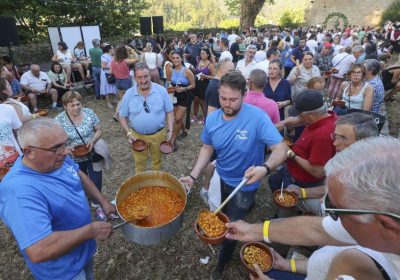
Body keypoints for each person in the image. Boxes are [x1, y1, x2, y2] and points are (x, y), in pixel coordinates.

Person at [226, 136, 400, 280]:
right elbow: (316, 229)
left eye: (333, 209)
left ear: (387, 226)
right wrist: (253, 231)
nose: (326, 211)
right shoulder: (369, 223)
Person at [179, 71, 288, 280]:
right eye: (223, 98)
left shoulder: (257, 118)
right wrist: (192, 177)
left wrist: (264, 168)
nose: (227, 104)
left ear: (244, 94)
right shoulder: (212, 119)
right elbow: (207, 149)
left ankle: (222, 261)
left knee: (231, 224)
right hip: (221, 177)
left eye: (233, 99)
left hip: (245, 185)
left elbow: (281, 149)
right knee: (219, 213)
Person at [0, 117, 116, 279]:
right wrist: (91, 230)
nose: (67, 151)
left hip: (83, 251)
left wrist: (102, 201)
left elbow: (78, 173)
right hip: (63, 271)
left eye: (65, 143)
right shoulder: (19, 191)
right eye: (56, 147)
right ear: (29, 152)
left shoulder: (56, 159)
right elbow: (38, 249)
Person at [285, 112, 379, 216]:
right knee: (289, 193)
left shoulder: (368, 174)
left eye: (343, 138)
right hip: (330, 208)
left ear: (364, 142)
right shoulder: (347, 155)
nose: (335, 143)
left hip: (341, 220)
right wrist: (303, 192)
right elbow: (331, 188)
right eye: (335, 136)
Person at [271, 90, 337, 215]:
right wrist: (283, 123)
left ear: (312, 115)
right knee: (273, 181)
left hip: (302, 180)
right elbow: (299, 120)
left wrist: (291, 154)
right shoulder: (325, 116)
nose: (298, 117)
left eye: (300, 114)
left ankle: (286, 218)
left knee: (286, 201)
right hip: (292, 170)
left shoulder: (322, 136)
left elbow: (318, 172)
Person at [55, 91, 111, 209]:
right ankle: (85, 197)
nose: (76, 107)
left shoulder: (89, 113)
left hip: (92, 152)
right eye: (72, 105)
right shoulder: (58, 120)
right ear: (65, 106)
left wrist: (93, 140)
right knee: (80, 179)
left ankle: (97, 203)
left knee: (96, 177)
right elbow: (55, 140)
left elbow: (99, 129)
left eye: (78, 104)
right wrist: (65, 148)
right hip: (73, 156)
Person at [119, 63, 174, 174]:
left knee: (157, 161)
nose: (143, 80)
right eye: (140, 77)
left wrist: (171, 129)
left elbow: (170, 111)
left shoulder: (161, 91)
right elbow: (122, 116)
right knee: (139, 163)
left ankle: (155, 183)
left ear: (150, 76)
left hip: (158, 135)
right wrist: (128, 133)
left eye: (146, 76)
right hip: (137, 136)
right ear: (135, 78)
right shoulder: (129, 94)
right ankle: (141, 185)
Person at [166, 52, 195, 148]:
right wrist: (170, 88)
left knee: (177, 118)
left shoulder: (187, 71)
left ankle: (172, 141)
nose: (175, 60)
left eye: (177, 58)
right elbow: (170, 82)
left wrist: (184, 88)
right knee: (177, 117)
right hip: (175, 95)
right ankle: (184, 130)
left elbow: (193, 85)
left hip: (185, 95)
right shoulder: (170, 70)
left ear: (181, 59)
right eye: (173, 58)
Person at [192, 48, 215, 124]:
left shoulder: (210, 64)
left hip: (204, 84)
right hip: (197, 83)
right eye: (201, 53)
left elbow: (214, 77)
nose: (201, 55)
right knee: (195, 100)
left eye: (203, 53)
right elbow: (196, 72)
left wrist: (205, 76)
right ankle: (194, 116)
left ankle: (205, 117)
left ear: (208, 55)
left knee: (203, 101)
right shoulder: (199, 62)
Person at [100, 45, 118, 111]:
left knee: (113, 86)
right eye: (113, 48)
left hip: (112, 73)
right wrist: (112, 67)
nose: (114, 49)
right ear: (109, 49)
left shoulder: (113, 56)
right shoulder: (104, 56)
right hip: (106, 74)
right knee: (107, 88)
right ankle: (108, 102)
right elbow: (102, 66)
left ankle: (114, 99)